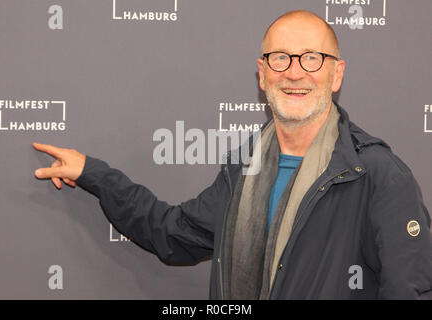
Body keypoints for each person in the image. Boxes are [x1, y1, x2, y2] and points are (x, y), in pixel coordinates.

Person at [33, 10, 432, 299]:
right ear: (262, 73)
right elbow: (173, 233)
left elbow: (408, 290)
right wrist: (94, 174)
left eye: (312, 58)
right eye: (281, 58)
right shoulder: (245, 168)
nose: (295, 72)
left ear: (337, 73)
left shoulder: (376, 175)